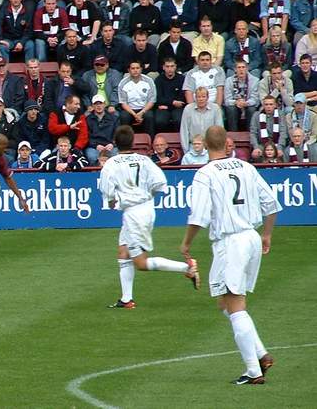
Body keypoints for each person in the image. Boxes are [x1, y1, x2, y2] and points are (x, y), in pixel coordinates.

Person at [181, 125, 281, 385]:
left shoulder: (205, 174)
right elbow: (271, 203)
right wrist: (267, 234)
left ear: (205, 144)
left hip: (230, 242)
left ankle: (253, 371)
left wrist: (186, 245)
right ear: (227, 143)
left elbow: (199, 216)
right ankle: (260, 354)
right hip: (250, 237)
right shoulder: (246, 166)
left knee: (235, 306)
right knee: (225, 303)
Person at [102, 125, 199, 309]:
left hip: (134, 214)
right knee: (123, 253)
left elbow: (108, 193)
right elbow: (161, 182)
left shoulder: (111, 164)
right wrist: (147, 196)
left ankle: (187, 268)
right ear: (133, 142)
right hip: (144, 208)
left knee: (141, 263)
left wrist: (113, 201)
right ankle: (126, 299)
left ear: (115, 143)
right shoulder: (144, 160)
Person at [180, 87, 224, 153]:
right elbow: (184, 131)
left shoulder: (215, 108)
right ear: (195, 98)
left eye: (203, 97)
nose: (201, 99)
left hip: (211, 146)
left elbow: (219, 130)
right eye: (198, 97)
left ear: (207, 97)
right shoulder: (188, 109)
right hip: (193, 146)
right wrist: (186, 151)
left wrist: (217, 149)